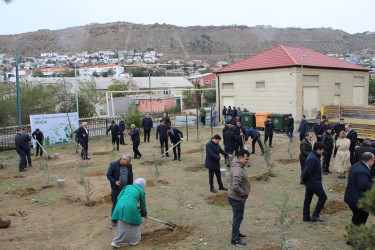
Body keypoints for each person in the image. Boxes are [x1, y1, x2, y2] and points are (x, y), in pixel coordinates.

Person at [110, 178, 147, 248]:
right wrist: (144, 214)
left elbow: (118, 197)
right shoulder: (141, 191)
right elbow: (143, 205)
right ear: (143, 185)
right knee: (135, 222)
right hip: (130, 207)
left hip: (119, 206)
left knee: (121, 223)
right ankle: (134, 240)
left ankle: (115, 242)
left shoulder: (128, 186)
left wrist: (123, 204)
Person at [228, 149, 251, 247]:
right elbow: (235, 186)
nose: (248, 161)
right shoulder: (238, 170)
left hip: (237, 198)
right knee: (237, 218)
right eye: (246, 159)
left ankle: (236, 232)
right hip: (237, 199)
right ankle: (234, 239)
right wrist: (244, 194)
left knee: (238, 217)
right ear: (240, 158)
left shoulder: (239, 165)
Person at [344, 152, 374, 226]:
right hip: (357, 200)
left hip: (351, 196)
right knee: (361, 217)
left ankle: (354, 231)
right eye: (373, 160)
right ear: (370, 160)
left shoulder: (357, 165)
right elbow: (364, 186)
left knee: (357, 217)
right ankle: (356, 234)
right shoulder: (362, 171)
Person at [301, 142, 327, 222]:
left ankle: (306, 217)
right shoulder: (313, 158)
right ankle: (315, 215)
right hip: (313, 182)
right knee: (323, 197)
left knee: (308, 199)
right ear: (318, 149)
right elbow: (307, 170)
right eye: (322, 150)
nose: (323, 152)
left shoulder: (314, 156)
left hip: (310, 182)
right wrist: (303, 178)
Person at [106, 153, 134, 229]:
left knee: (125, 204)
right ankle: (113, 221)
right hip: (116, 189)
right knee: (115, 204)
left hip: (126, 188)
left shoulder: (129, 166)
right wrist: (115, 182)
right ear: (122, 159)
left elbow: (130, 175)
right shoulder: (114, 164)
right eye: (127, 162)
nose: (128, 164)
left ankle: (124, 219)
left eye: (129, 162)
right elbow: (108, 175)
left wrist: (130, 186)